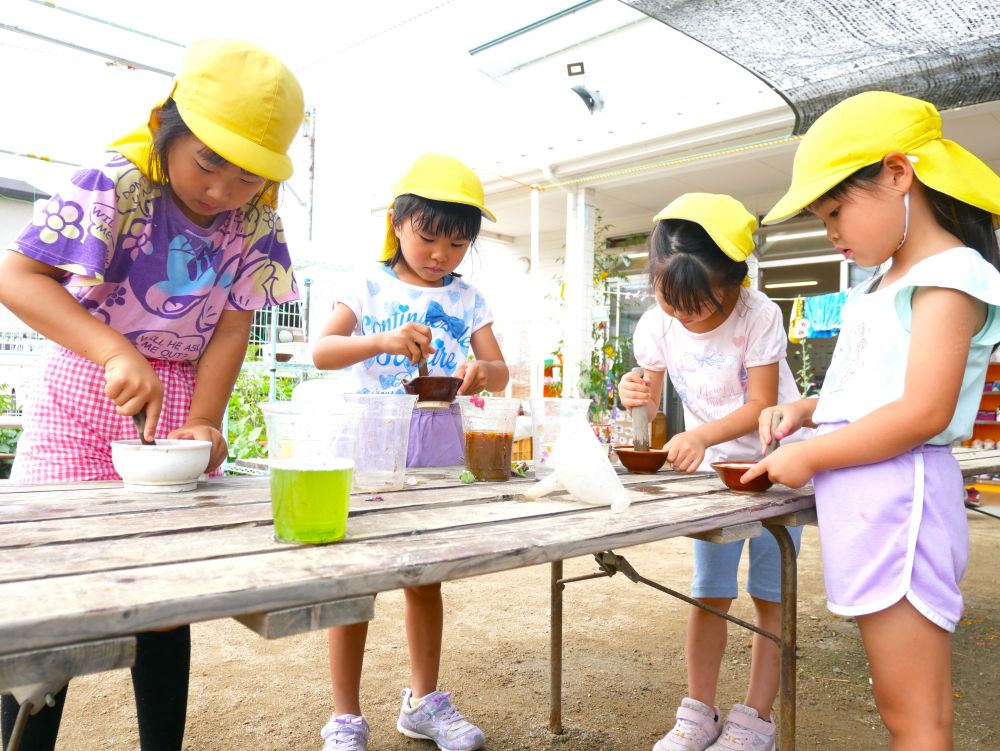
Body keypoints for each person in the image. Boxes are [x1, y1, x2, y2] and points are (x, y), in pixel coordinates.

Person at [0, 39, 303, 751]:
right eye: (208, 161)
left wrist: (203, 418)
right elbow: (17, 278)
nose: (224, 189)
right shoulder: (114, 182)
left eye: (248, 176)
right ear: (167, 124)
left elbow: (233, 328)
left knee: (168, 597)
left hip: (176, 400)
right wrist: (112, 348)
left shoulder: (257, 222)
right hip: (85, 389)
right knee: (55, 594)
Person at [743, 91, 1000, 750]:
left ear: (897, 173)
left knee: (915, 717)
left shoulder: (950, 276)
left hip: (901, 508)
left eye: (837, 211)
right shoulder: (884, 282)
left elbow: (923, 410)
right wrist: (805, 410)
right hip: (872, 507)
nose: (832, 231)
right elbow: (871, 389)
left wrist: (812, 455)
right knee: (901, 708)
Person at [311, 153, 508, 751]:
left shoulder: (468, 297)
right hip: (369, 450)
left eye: (457, 243)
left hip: (436, 452)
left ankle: (423, 702)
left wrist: (483, 370)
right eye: (428, 237)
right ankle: (345, 714)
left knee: (426, 578)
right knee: (357, 579)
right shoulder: (366, 285)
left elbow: (499, 372)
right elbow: (322, 350)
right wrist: (382, 339)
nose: (440, 255)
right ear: (397, 222)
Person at [618, 193, 804, 751]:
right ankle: (699, 712)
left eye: (696, 304)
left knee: (771, 594)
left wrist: (699, 434)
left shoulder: (758, 315)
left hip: (777, 465)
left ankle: (755, 720)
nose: (681, 314)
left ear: (734, 284)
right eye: (668, 300)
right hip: (718, 475)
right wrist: (633, 397)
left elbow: (761, 406)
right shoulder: (657, 325)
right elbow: (646, 415)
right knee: (710, 593)